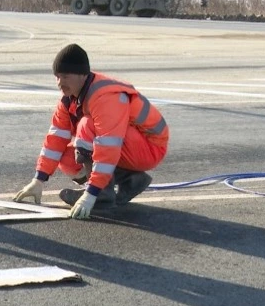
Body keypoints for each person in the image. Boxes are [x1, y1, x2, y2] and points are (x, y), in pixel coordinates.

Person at [13, 44, 169, 219]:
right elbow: (55, 140)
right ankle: (131, 180)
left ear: (83, 75)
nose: (60, 83)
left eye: (65, 76)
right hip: (129, 146)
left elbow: (108, 147)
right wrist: (38, 180)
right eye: (57, 76)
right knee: (67, 158)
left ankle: (101, 194)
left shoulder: (106, 97)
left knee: (87, 125)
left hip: (150, 148)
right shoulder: (69, 99)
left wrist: (91, 194)